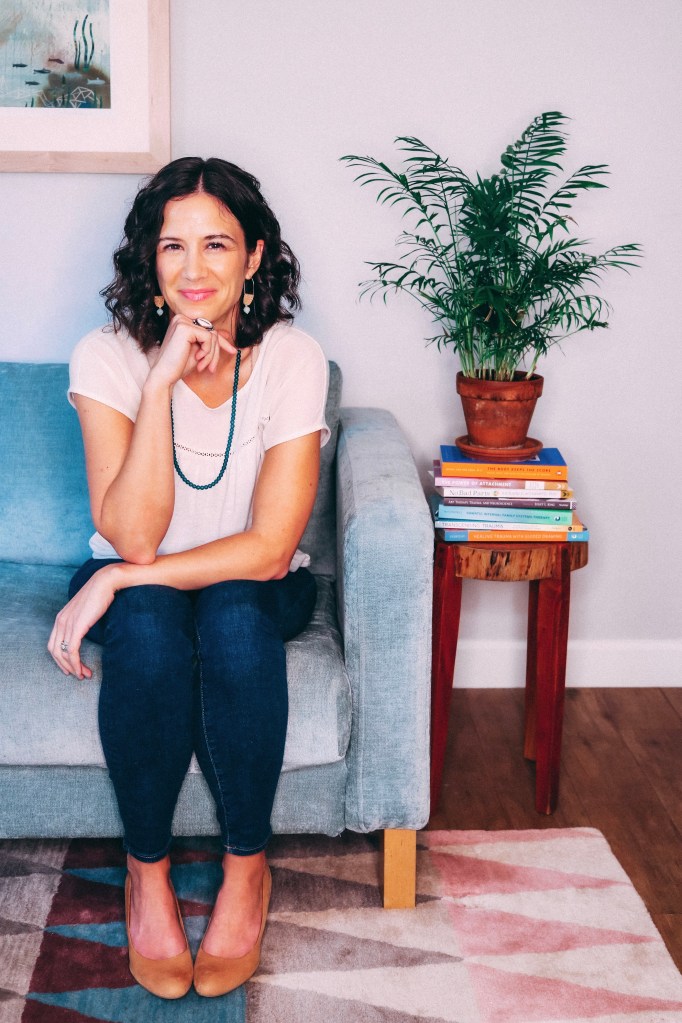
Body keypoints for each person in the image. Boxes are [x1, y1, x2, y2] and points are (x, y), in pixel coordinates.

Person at [47, 156, 329, 999]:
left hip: (254, 582)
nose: (194, 268)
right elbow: (132, 536)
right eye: (174, 245)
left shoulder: (292, 357)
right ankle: (148, 876)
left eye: (218, 244)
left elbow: (270, 549)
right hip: (142, 589)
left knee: (233, 612)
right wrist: (162, 379)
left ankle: (247, 871)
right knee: (149, 622)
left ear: (255, 256)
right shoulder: (106, 357)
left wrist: (114, 581)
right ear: (150, 255)